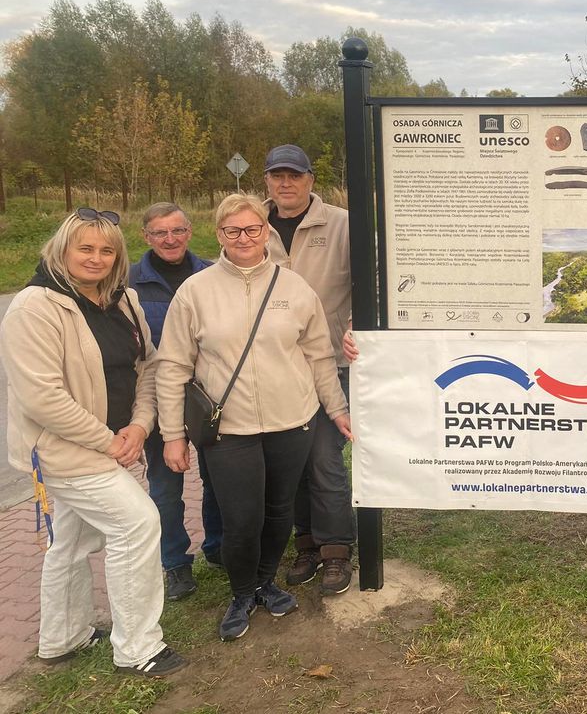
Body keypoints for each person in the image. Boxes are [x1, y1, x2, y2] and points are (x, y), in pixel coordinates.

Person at [155, 194, 352, 642]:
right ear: (218, 234)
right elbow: (172, 367)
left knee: (280, 510)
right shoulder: (196, 292)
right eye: (232, 231)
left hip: (292, 422)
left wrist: (336, 409)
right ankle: (242, 592)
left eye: (252, 229)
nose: (243, 238)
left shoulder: (295, 288)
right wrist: (172, 434)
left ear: (266, 231)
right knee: (241, 518)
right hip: (230, 430)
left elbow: (320, 355)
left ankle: (266, 581)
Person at [1, 209, 187, 677]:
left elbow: (148, 365)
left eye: (107, 250)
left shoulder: (123, 300)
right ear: (62, 249)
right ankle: (138, 648)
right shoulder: (33, 307)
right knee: (138, 523)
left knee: (72, 540)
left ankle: (63, 638)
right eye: (85, 247)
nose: (96, 258)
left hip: (116, 442)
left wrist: (141, 426)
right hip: (66, 452)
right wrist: (108, 442)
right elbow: (41, 396)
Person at [263, 144, 356, 596]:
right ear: (266, 181)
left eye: (294, 176)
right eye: (277, 176)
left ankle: (337, 548)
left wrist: (358, 326)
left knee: (323, 457)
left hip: (332, 362)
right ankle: (307, 545)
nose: (285, 184)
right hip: (276, 367)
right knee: (293, 461)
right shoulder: (253, 227)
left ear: (310, 180)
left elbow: (368, 279)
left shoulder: (340, 224)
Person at [129, 202, 222, 601]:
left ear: (190, 231)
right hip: (159, 394)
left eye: (178, 231)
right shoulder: (131, 282)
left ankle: (218, 547)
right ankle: (176, 564)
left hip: (210, 394)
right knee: (166, 487)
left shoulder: (213, 274)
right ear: (146, 237)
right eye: (160, 233)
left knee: (217, 479)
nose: (170, 240)